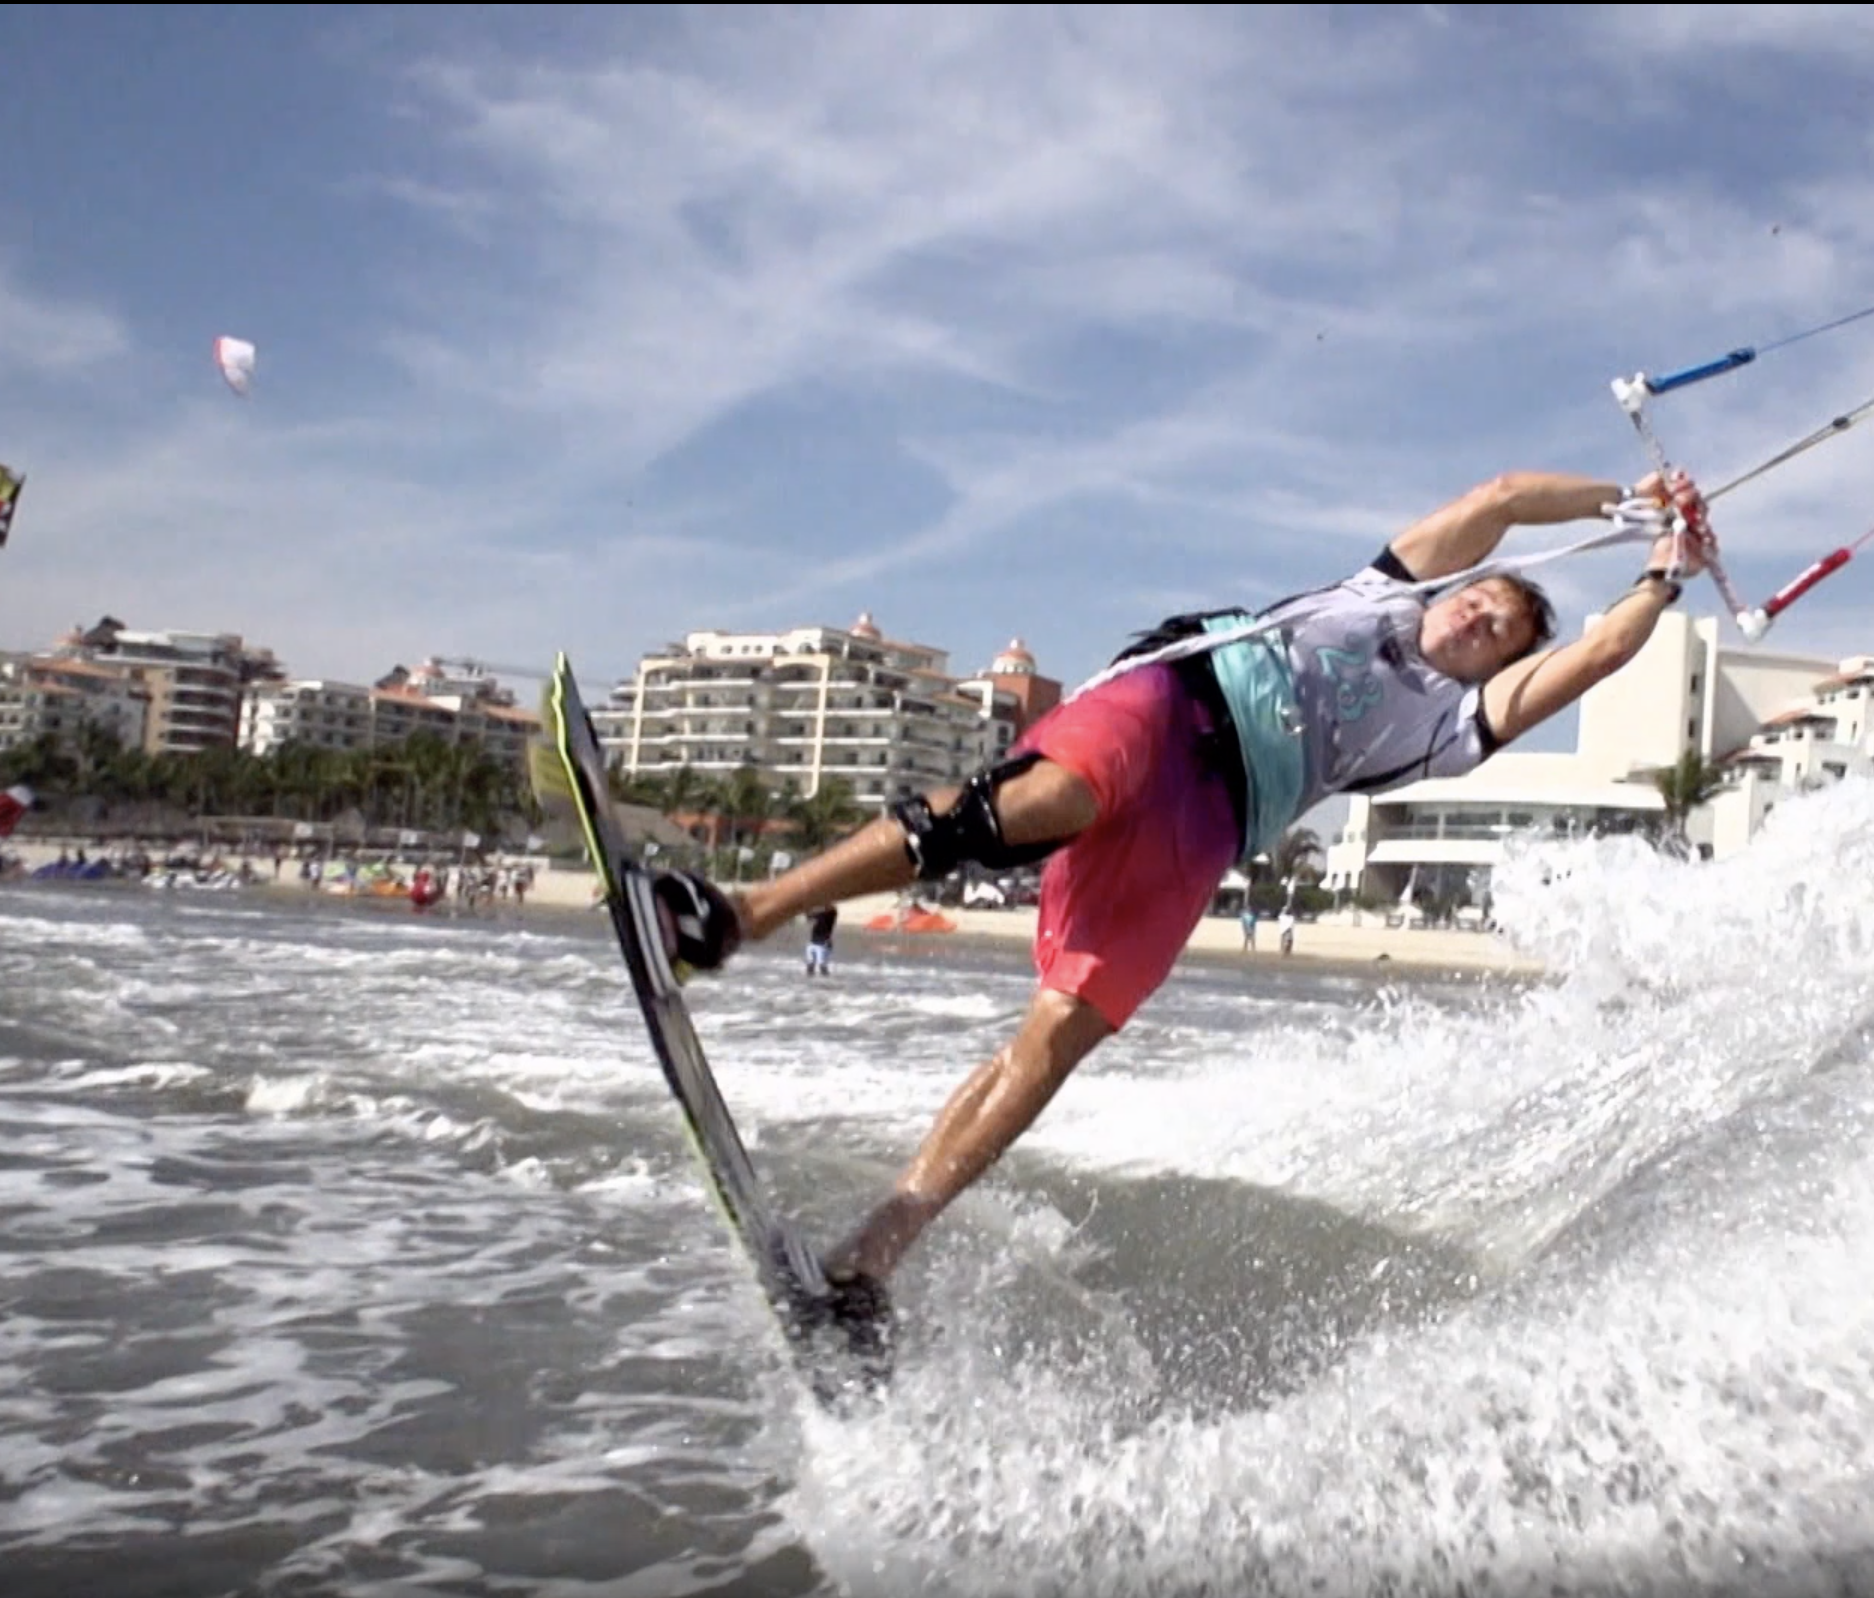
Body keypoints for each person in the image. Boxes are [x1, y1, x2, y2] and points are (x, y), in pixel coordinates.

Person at [640, 467, 1714, 1378]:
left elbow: (1595, 657)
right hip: (1172, 703)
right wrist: (1627, 501)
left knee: (1057, 1036)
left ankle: (867, 1260)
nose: (1478, 620)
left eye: (1498, 634)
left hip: (1211, 824)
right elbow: (1506, 498)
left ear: (1497, 667)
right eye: (1479, 599)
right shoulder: (1382, 591)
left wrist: (1663, 573)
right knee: (1030, 805)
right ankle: (738, 915)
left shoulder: (1450, 727)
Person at [804, 903, 839, 978]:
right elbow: (808, 917)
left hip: (823, 944)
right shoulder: (820, 914)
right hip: (813, 942)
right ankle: (809, 980)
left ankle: (827, 980)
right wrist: (806, 909)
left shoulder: (831, 915)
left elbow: (833, 909)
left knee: (822, 965)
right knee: (810, 964)